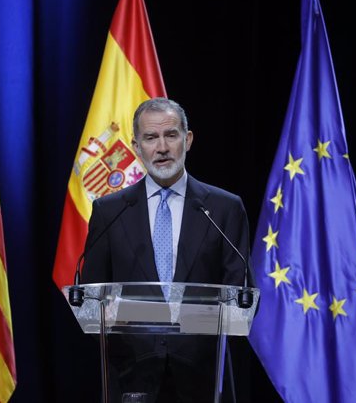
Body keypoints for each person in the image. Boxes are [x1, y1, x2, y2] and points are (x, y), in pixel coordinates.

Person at [81, 98, 251, 402]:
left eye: (171, 135)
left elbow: (240, 297)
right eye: (150, 137)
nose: (161, 147)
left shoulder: (223, 209)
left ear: (187, 140)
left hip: (204, 379)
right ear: (136, 146)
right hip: (131, 378)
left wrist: (177, 321)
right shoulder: (110, 212)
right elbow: (92, 300)